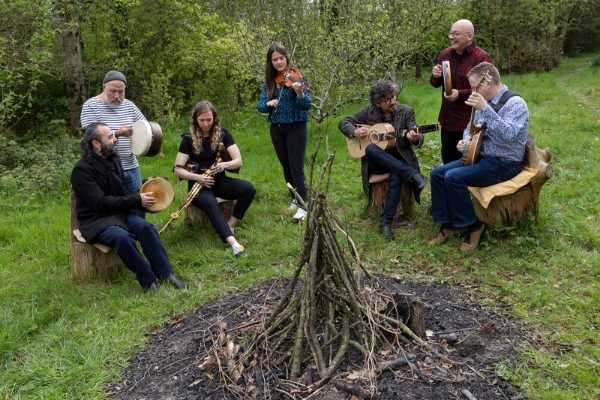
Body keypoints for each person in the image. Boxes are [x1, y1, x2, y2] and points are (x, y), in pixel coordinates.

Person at [71, 123, 186, 293]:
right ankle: (149, 281)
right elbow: (100, 203)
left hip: (120, 214)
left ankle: (166, 274)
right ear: (96, 143)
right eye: (110, 136)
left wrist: (147, 185)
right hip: (96, 220)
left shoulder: (112, 158)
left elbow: (122, 191)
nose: (115, 138)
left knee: (146, 227)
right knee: (123, 238)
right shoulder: (81, 171)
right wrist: (136, 200)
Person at [430, 62, 528, 251]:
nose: (472, 91)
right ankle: (448, 225)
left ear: (489, 80)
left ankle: (474, 226)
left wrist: (486, 109)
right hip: (481, 156)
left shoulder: (516, 103)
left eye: (475, 86)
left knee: (454, 178)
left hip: (505, 162)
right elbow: (470, 128)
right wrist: (466, 141)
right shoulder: (481, 102)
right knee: (437, 174)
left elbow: (509, 136)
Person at [339, 80, 426, 241]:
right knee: (371, 148)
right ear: (378, 103)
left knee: (396, 174)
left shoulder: (406, 111)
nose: (393, 101)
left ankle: (385, 222)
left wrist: (414, 137)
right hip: (377, 163)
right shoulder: (369, 112)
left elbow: (418, 137)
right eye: (388, 100)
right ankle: (412, 175)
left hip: (399, 159)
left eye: (393, 97)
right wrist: (354, 131)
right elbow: (344, 122)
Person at [174, 101, 255, 257]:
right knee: (211, 204)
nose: (206, 124)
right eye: (202, 120)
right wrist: (197, 177)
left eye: (209, 120)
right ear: (195, 120)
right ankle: (234, 244)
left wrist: (224, 165)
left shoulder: (223, 134)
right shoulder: (187, 138)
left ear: (214, 118)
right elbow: (177, 169)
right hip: (198, 186)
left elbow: (238, 161)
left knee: (248, 189)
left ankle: (230, 224)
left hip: (219, 181)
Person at [257, 43, 311, 222]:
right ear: (270, 62)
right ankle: (295, 198)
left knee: (296, 168)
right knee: (286, 167)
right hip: (277, 129)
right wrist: (268, 104)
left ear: (286, 59)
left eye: (281, 58)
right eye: (275, 59)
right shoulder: (269, 82)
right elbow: (260, 106)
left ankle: (304, 206)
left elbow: (306, 105)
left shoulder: (296, 78)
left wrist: (299, 92)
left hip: (296, 127)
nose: (279, 62)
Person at [430, 19, 492, 164]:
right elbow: (435, 84)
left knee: (465, 162)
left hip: (470, 121)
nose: (451, 37)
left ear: (469, 36)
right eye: (450, 34)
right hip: (448, 119)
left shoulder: (481, 58)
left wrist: (460, 94)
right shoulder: (444, 54)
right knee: (447, 160)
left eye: (456, 34)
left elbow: (487, 89)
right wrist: (435, 75)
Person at [80, 70, 146, 194]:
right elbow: (91, 138)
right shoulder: (91, 106)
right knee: (112, 208)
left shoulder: (129, 106)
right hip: (104, 169)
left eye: (121, 92)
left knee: (137, 206)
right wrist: (117, 133)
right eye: (112, 91)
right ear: (104, 87)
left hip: (130, 166)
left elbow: (145, 128)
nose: (117, 96)